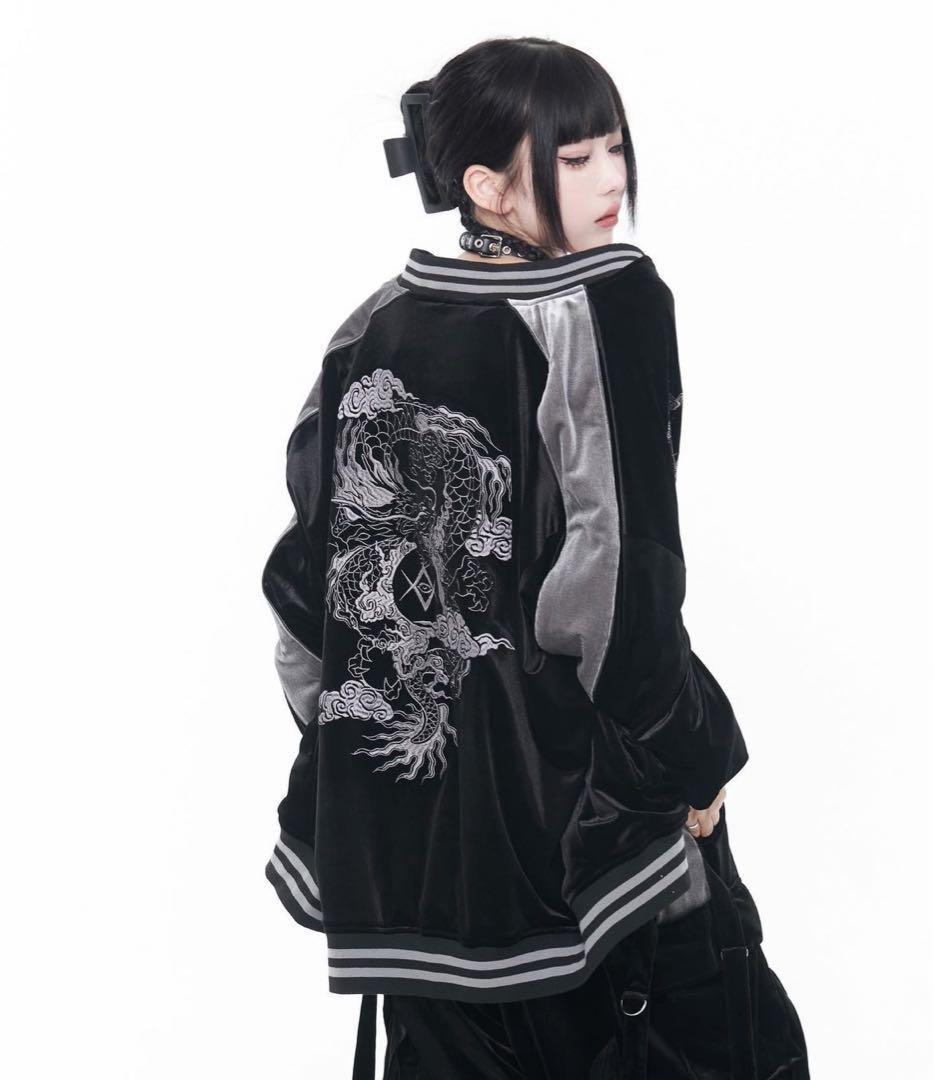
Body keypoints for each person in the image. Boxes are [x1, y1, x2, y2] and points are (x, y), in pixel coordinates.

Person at [261, 36, 809, 1079]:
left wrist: (374, 771)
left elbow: (303, 598)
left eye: (615, 148)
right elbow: (615, 585)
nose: (611, 180)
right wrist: (687, 759)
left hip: (409, 869)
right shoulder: (603, 304)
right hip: (589, 849)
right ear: (485, 185)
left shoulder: (369, 327)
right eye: (574, 156)